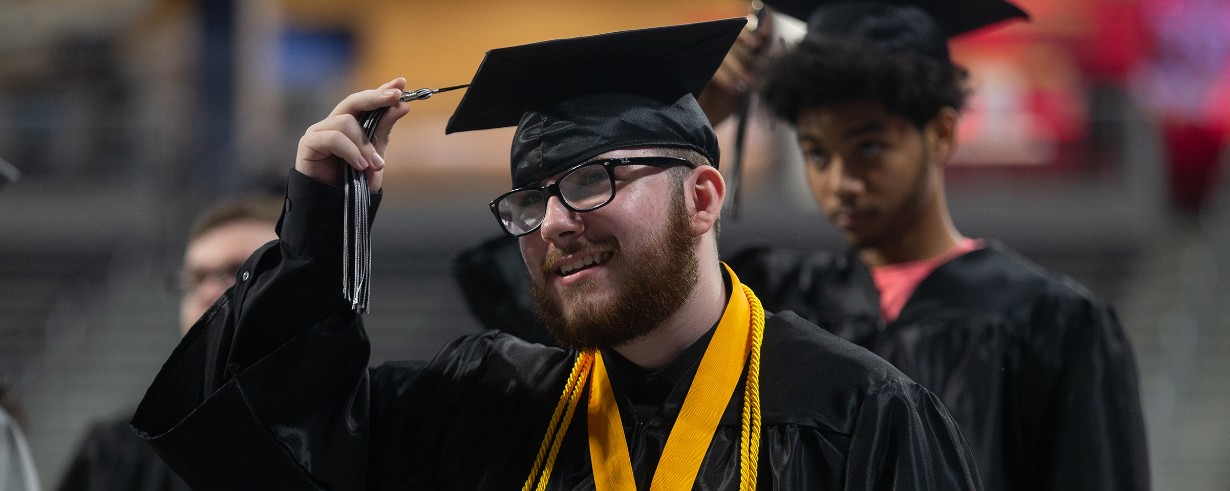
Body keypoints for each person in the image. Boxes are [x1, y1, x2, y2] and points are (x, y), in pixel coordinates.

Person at [132, 19, 982, 489]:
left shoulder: (858, 416)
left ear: (703, 197)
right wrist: (322, 222)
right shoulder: (486, 404)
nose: (554, 223)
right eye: (530, 199)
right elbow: (278, 447)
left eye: (594, 179)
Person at [730, 2, 1149, 490]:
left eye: (869, 148)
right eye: (817, 153)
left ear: (942, 134)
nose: (839, 181)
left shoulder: (1052, 322)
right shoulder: (772, 299)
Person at [57, 195, 279, 491]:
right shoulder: (114, 456)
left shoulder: (342, 441)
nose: (209, 292)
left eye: (240, 272)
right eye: (196, 278)